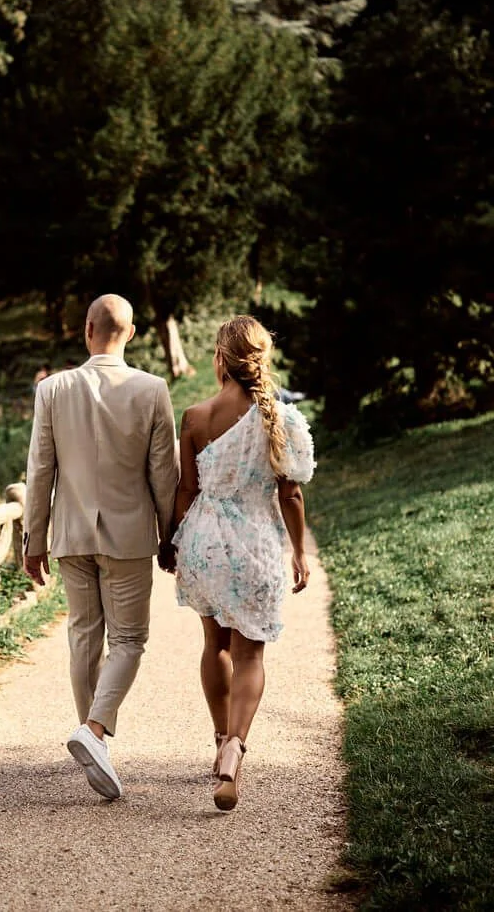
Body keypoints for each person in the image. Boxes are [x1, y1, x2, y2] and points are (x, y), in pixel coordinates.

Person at [23, 294, 180, 800]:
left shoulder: (52, 390)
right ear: (131, 334)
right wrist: (167, 533)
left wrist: (34, 538)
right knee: (130, 641)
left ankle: (92, 739)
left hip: (69, 534)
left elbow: (39, 469)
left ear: (87, 329)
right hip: (130, 534)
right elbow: (163, 473)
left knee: (83, 637)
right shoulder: (152, 389)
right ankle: (93, 732)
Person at [167, 315, 317, 811]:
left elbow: (186, 492)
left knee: (215, 644)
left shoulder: (194, 416)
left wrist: (173, 545)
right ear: (262, 358)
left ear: (220, 360)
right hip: (255, 543)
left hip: (206, 543)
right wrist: (298, 550)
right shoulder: (282, 418)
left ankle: (217, 738)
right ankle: (235, 745)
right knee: (251, 653)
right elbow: (290, 493)